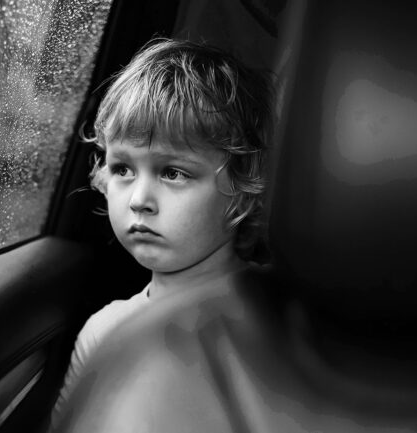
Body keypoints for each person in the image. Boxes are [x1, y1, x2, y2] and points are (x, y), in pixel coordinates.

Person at [50, 38, 274, 429]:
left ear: (243, 186)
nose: (139, 200)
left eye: (173, 172)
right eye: (122, 169)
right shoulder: (103, 331)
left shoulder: (278, 325)